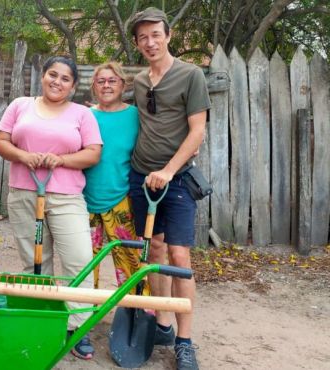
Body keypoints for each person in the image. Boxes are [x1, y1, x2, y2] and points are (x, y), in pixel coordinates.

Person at [0, 56, 102, 360]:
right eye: (52, 75)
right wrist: (23, 155)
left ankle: (76, 326)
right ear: (42, 76)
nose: (57, 81)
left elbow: (93, 153)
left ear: (73, 85)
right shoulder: (20, 105)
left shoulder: (82, 114)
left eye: (65, 78)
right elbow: (1, 142)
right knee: (36, 263)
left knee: (79, 260)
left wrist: (62, 160)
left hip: (67, 196)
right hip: (25, 192)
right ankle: (40, 321)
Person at [128, 7, 211, 370]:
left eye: (155, 34)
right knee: (154, 251)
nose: (150, 42)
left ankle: (185, 340)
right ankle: (162, 324)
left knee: (179, 256)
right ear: (137, 43)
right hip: (140, 179)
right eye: (143, 37)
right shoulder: (140, 81)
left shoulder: (191, 75)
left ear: (168, 35)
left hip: (175, 180)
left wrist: (168, 170)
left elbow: (197, 132)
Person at [83, 62, 148, 294]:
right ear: (94, 86)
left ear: (123, 84)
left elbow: (160, 138)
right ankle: (82, 314)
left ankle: (136, 310)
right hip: (83, 200)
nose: (107, 85)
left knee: (131, 261)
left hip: (121, 200)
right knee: (84, 264)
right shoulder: (84, 116)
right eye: (101, 81)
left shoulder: (136, 117)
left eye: (112, 81)